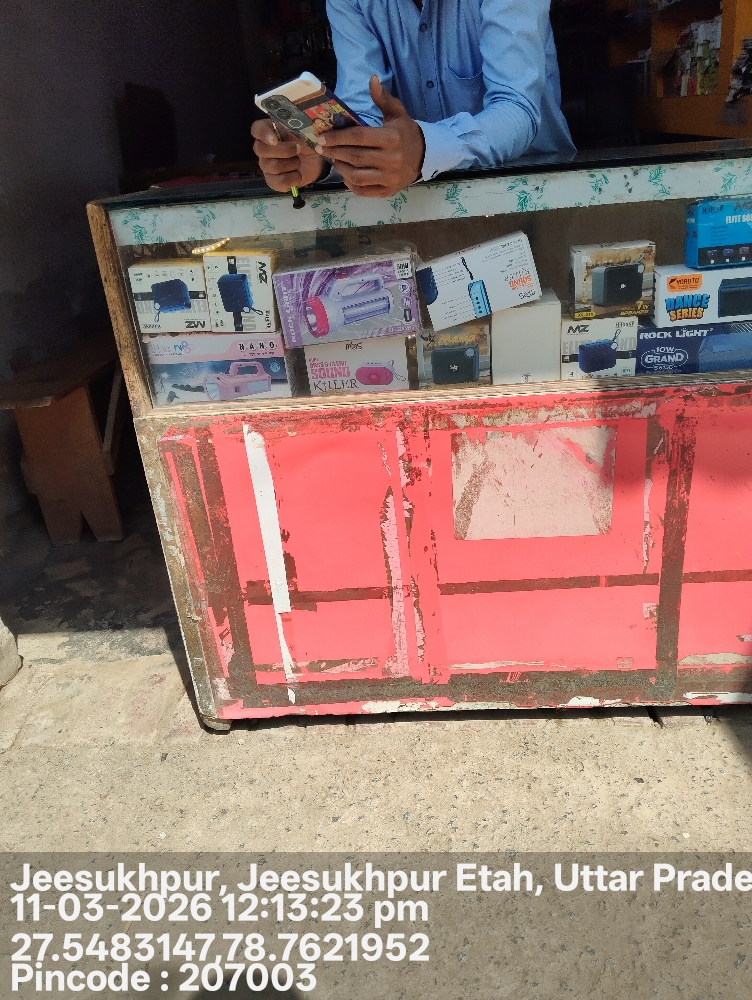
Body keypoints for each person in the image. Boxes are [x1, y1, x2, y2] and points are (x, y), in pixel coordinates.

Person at [252, 0, 575, 199]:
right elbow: (364, 113)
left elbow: (518, 109)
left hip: (533, 195)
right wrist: (322, 153)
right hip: (418, 207)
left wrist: (425, 149)